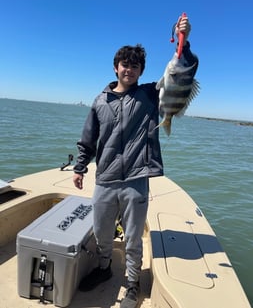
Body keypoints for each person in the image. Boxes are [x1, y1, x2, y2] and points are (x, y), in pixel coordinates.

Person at [73, 16, 197, 308]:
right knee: (102, 232)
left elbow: (185, 71)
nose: (129, 69)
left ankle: (132, 282)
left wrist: (184, 40)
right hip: (104, 178)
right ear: (116, 67)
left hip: (136, 179)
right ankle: (104, 268)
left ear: (141, 71)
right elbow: (88, 138)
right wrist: (80, 167)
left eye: (135, 66)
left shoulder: (150, 95)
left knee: (132, 237)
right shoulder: (100, 100)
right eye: (124, 64)